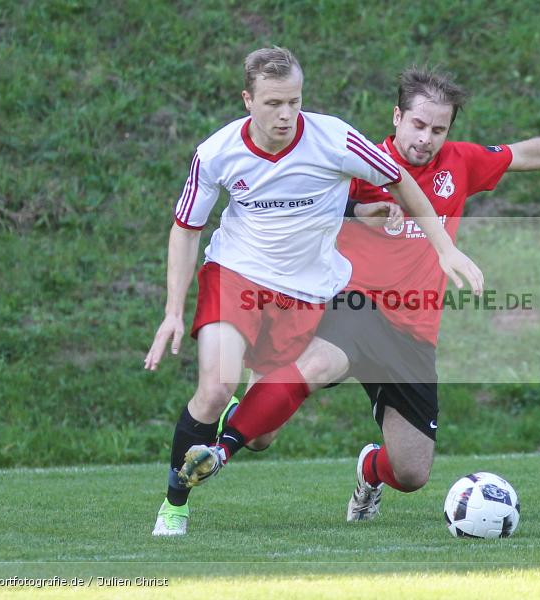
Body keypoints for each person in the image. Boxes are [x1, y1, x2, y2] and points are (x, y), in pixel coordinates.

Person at [183, 66, 540, 522]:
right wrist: (356, 210)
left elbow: (523, 154)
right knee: (279, 413)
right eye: (418, 124)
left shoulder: (460, 163)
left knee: (411, 472)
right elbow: (299, 202)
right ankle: (221, 450)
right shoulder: (360, 160)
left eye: (438, 129)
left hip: (413, 333)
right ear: (397, 117)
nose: (426, 138)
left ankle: (369, 470)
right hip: (353, 305)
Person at [145, 50, 484, 536]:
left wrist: (444, 248)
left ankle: (239, 425)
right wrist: (172, 311)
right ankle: (175, 506)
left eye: (294, 102)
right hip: (235, 275)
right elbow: (186, 228)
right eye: (273, 103)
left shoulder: (334, 139)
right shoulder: (216, 152)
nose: (285, 114)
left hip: (303, 295)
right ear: (248, 100)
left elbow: (400, 181)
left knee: (262, 437)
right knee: (216, 386)